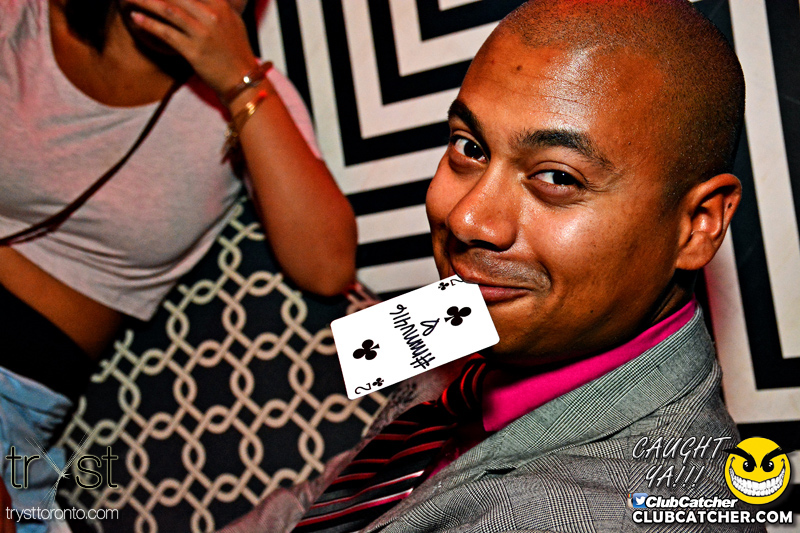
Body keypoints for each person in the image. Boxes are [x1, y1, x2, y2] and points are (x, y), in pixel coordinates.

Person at [219, 0, 760, 532]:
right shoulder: (481, 304)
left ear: (698, 225)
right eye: (470, 147)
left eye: (558, 177)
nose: (467, 218)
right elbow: (336, 488)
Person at [0, 0, 356, 530]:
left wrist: (238, 82)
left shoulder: (248, 93)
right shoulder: (23, 18)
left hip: (19, 401)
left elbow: (327, 266)